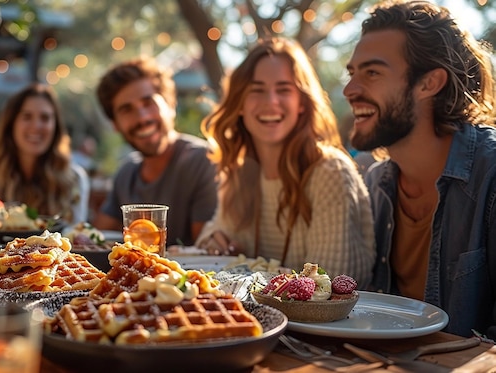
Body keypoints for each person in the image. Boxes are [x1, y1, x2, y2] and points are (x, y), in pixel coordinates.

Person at [344, 0, 496, 338]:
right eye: (352, 73)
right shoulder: (378, 183)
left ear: (429, 83)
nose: (350, 90)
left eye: (372, 72)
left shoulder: (491, 176)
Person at [195, 37, 376, 287]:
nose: (271, 102)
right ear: (239, 104)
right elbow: (214, 232)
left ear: (302, 102)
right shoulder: (239, 170)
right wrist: (213, 240)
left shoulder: (330, 172)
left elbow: (328, 287)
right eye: (256, 90)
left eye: (283, 89)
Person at [91, 57, 218, 247]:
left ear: (171, 105)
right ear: (115, 124)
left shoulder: (204, 161)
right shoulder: (126, 173)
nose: (142, 118)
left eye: (148, 102)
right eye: (127, 110)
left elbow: (206, 248)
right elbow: (95, 239)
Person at [0, 82, 90, 225]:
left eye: (45, 118)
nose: (36, 126)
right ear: (11, 124)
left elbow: (76, 235)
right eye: (27, 117)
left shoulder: (74, 180)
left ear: (56, 126)